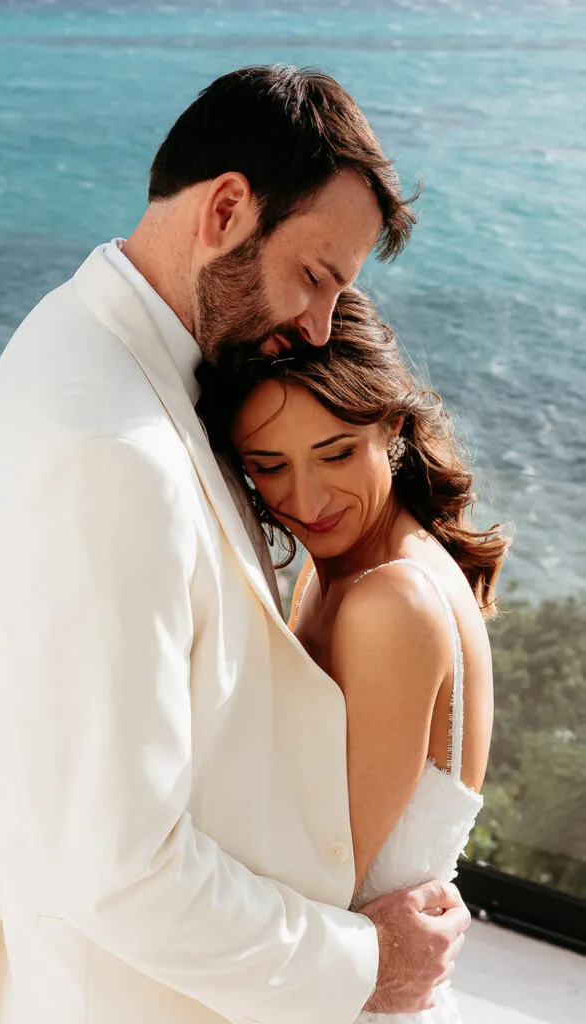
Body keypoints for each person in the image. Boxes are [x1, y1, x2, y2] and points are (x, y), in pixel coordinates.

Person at [0, 66, 471, 1024]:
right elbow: (119, 866)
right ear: (227, 209)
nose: (320, 325)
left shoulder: (81, 341)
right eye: (314, 277)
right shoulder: (110, 452)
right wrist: (365, 964)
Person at [197, 285, 510, 1023]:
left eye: (334, 452)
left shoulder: (388, 603)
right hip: (336, 976)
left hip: (351, 993)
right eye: (268, 465)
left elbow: (319, 866)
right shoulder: (336, 570)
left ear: (392, 427)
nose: (305, 499)